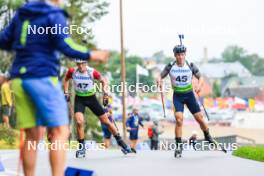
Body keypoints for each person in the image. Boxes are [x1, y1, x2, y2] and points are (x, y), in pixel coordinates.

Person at [0, 0, 109, 175]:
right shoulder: (53, 14)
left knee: (32, 136)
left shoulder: (22, 13)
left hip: (20, 81)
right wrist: (91, 54)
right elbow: (65, 45)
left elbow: (4, 41)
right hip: (43, 79)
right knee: (60, 131)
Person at [157, 42, 219, 157]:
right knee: (179, 120)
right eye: (178, 55)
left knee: (200, 119)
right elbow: (160, 76)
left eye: (182, 54)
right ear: (175, 55)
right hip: (178, 96)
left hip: (190, 95)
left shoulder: (190, 65)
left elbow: (201, 78)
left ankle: (207, 136)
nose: (180, 57)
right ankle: (179, 146)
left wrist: (199, 86)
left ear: (185, 55)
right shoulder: (170, 66)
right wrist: (159, 81)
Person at [63, 59, 132, 157]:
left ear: (86, 63)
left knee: (106, 121)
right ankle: (81, 148)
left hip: (91, 99)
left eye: (82, 64)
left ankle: (122, 144)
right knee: (79, 122)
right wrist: (66, 92)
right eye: (78, 64)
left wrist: (105, 94)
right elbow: (66, 79)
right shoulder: (72, 71)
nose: (81, 67)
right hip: (79, 99)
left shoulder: (92, 72)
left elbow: (104, 81)